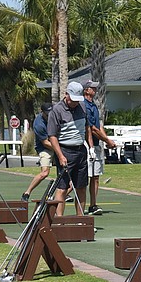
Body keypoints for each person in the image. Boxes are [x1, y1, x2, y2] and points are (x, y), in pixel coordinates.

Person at [47, 81, 93, 216]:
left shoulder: (83, 106)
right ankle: (59, 220)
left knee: (81, 187)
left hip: (81, 151)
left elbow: (87, 128)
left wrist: (90, 147)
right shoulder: (57, 110)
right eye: (73, 100)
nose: (75, 103)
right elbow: (52, 136)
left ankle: (80, 219)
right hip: (65, 150)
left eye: (77, 100)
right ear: (66, 94)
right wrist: (60, 156)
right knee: (62, 187)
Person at [83, 80, 116, 215]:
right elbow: (92, 129)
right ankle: (57, 198)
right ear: (86, 90)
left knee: (95, 176)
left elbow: (99, 126)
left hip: (96, 145)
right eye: (92, 88)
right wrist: (107, 140)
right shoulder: (84, 105)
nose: (95, 90)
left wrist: (107, 140)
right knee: (83, 177)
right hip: (87, 145)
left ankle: (93, 205)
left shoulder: (93, 105)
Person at [21, 103, 55, 202]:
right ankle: (27, 193)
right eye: (47, 114)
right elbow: (45, 143)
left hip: (57, 145)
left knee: (67, 171)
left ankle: (62, 193)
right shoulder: (39, 124)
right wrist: (60, 149)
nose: (50, 116)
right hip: (45, 148)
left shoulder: (56, 116)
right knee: (44, 173)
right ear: (42, 112)